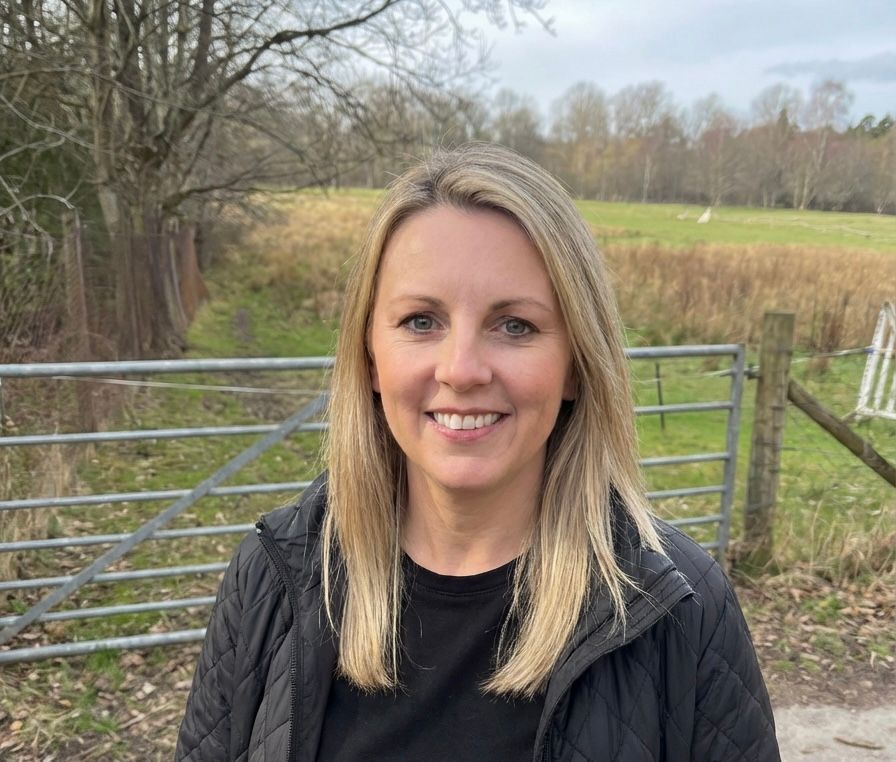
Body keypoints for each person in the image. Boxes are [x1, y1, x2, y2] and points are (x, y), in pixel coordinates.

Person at [176, 143, 779, 761]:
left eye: (515, 325)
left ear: (575, 364)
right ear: (370, 358)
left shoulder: (679, 609)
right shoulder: (271, 581)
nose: (461, 370)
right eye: (420, 321)